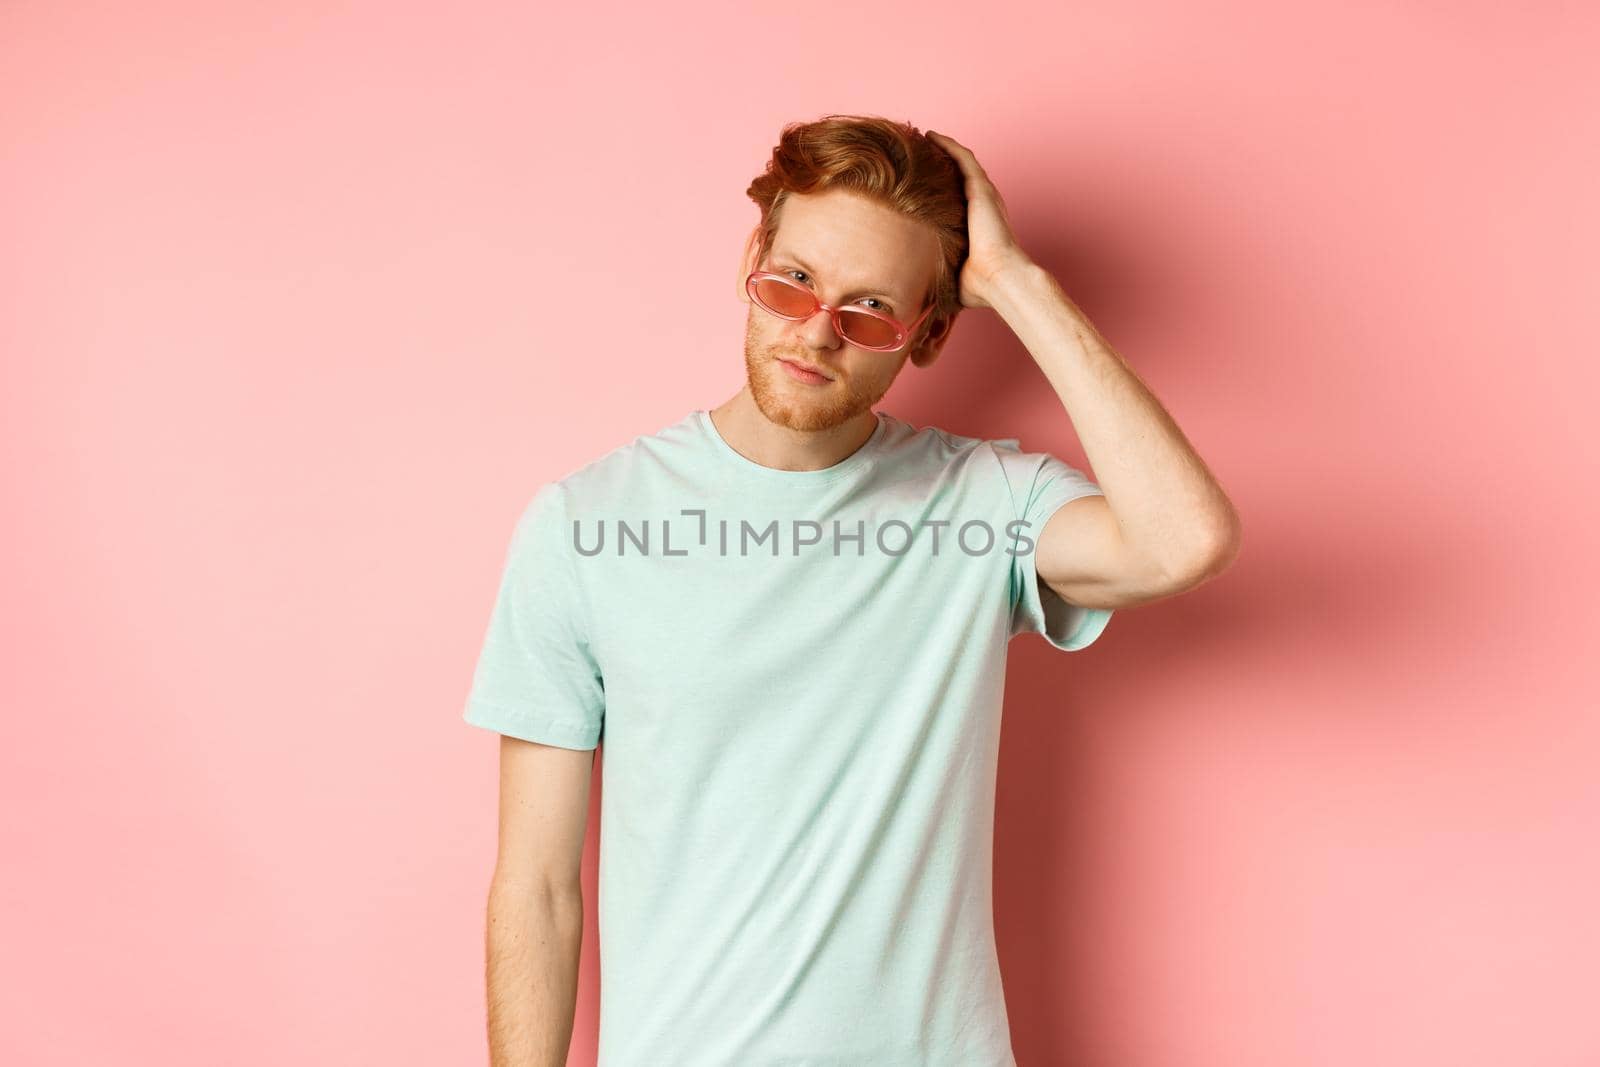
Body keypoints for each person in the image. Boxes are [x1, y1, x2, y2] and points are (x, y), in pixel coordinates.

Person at [463, 114, 1240, 1066]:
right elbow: (537, 886)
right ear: (754, 257)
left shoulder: (983, 504)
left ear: (929, 334)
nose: (816, 332)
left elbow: (1185, 539)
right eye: (791, 281)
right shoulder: (584, 525)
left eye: (869, 310)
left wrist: (1016, 283)